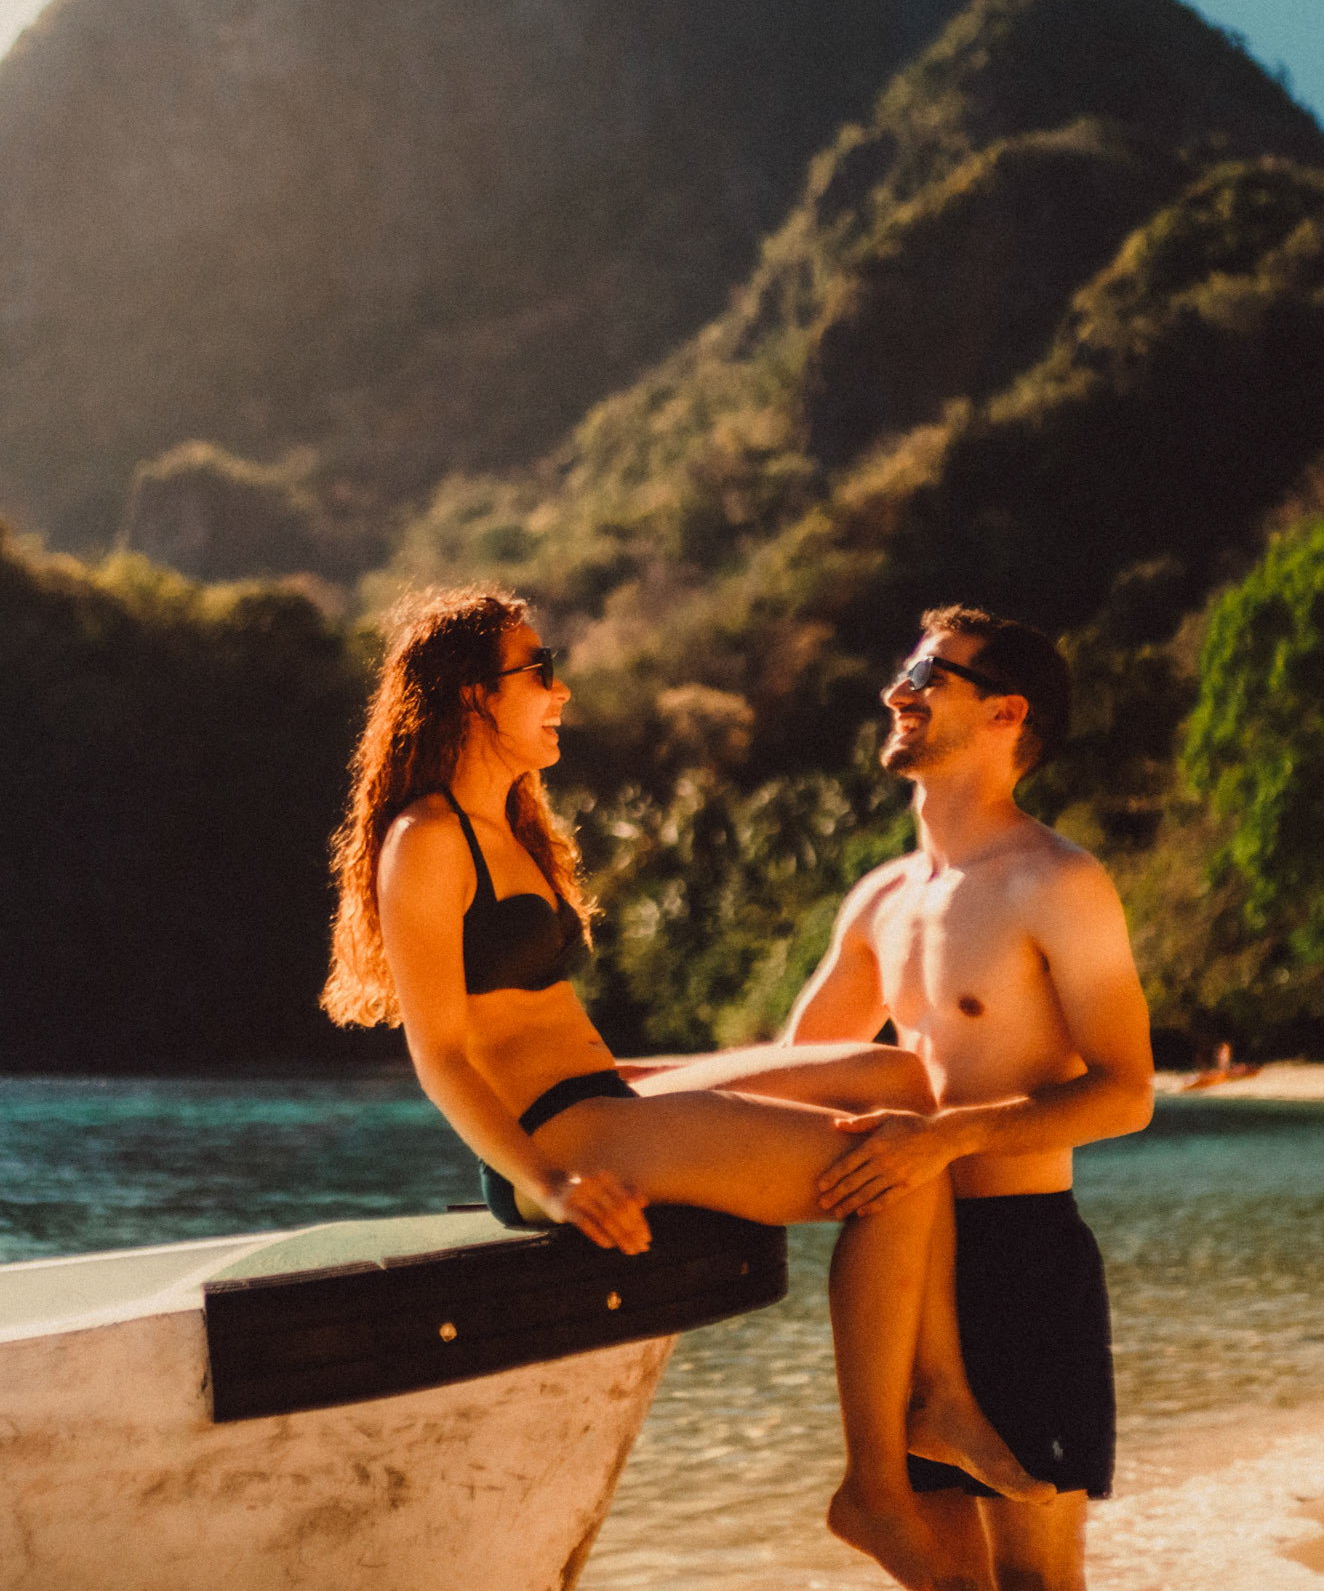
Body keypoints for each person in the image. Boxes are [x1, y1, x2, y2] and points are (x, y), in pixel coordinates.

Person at [320, 586, 1049, 1591]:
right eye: (539, 668)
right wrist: (552, 1180)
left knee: (897, 1078)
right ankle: (876, 1484)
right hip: (552, 1140)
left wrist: (670, 1084)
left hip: (601, 1095)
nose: (561, 686)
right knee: (890, 1156)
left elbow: (541, 1018)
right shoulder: (427, 838)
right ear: (471, 697)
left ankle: (936, 1392)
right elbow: (441, 1052)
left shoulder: (511, 826)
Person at [784, 604, 1155, 1591]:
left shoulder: (1057, 882)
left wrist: (941, 1138)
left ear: (1005, 713)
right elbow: (794, 1073)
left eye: (928, 673)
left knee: (1037, 1577)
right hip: (900, 1261)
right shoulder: (880, 897)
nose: (896, 690)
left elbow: (1125, 1094)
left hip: (1017, 1250)